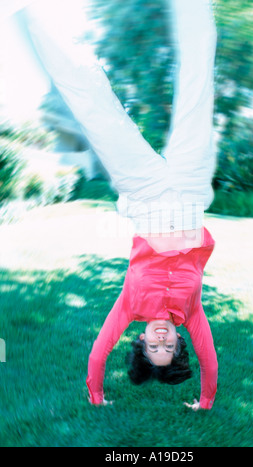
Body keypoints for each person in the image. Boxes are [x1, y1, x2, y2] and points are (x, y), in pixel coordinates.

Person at [3, 0, 219, 411]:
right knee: (199, 84)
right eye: (168, 348)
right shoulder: (193, 314)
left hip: (144, 191)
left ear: (140, 341)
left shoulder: (129, 307)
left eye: (153, 348)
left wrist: (97, 395)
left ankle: (30, 13)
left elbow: (98, 353)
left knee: (94, 105)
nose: (160, 341)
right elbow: (209, 361)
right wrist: (206, 401)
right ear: (178, 343)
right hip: (190, 190)